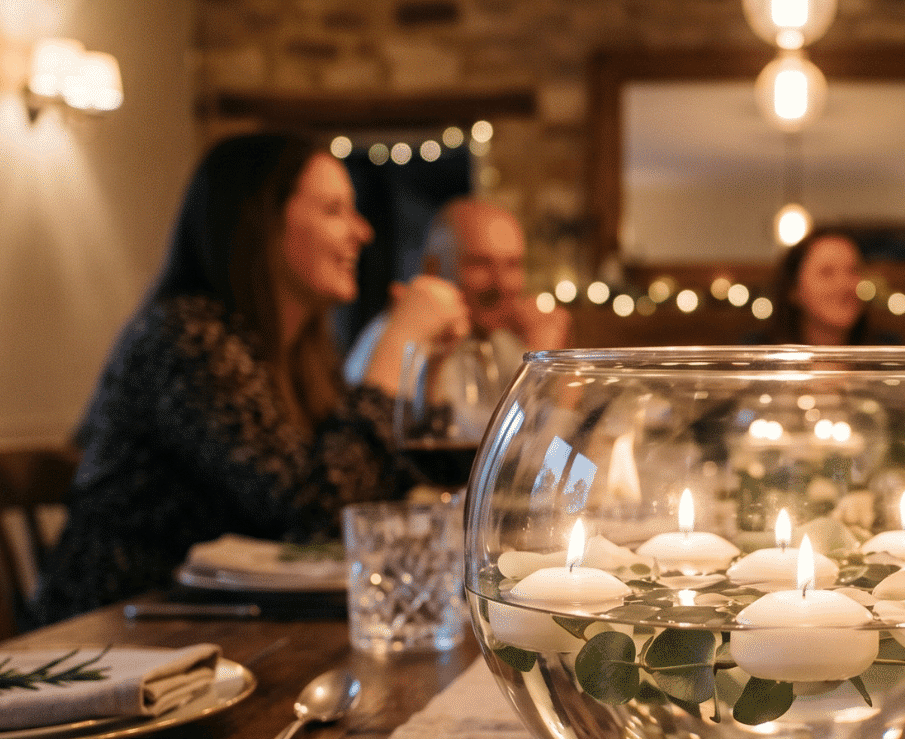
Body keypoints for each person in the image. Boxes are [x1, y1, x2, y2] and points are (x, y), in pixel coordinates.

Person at [33, 133, 466, 622]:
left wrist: (427, 365)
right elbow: (315, 517)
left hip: (226, 625)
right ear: (260, 223)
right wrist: (397, 343)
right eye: (333, 210)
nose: (362, 232)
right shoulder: (187, 337)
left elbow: (378, 491)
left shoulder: (298, 355)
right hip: (118, 632)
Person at [343, 199, 570, 386]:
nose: (502, 284)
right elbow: (482, 435)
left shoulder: (500, 345)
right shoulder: (396, 346)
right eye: (479, 263)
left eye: (512, 264)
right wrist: (546, 369)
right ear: (433, 269)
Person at [750, 229, 900, 345]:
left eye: (853, 270)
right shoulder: (759, 355)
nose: (845, 284)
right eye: (827, 272)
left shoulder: (889, 353)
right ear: (794, 289)